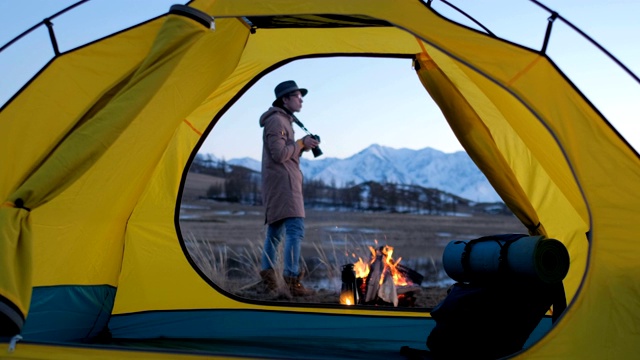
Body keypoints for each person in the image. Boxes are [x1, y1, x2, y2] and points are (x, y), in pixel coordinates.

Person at [258, 80, 320, 297]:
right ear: (285, 99)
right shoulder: (276, 121)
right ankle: (292, 281)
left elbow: (285, 153)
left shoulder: (283, 121)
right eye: (296, 95)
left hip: (281, 182)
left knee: (274, 232)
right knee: (295, 229)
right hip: (284, 185)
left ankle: (269, 281)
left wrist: (303, 146)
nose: (301, 99)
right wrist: (301, 144)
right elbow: (279, 155)